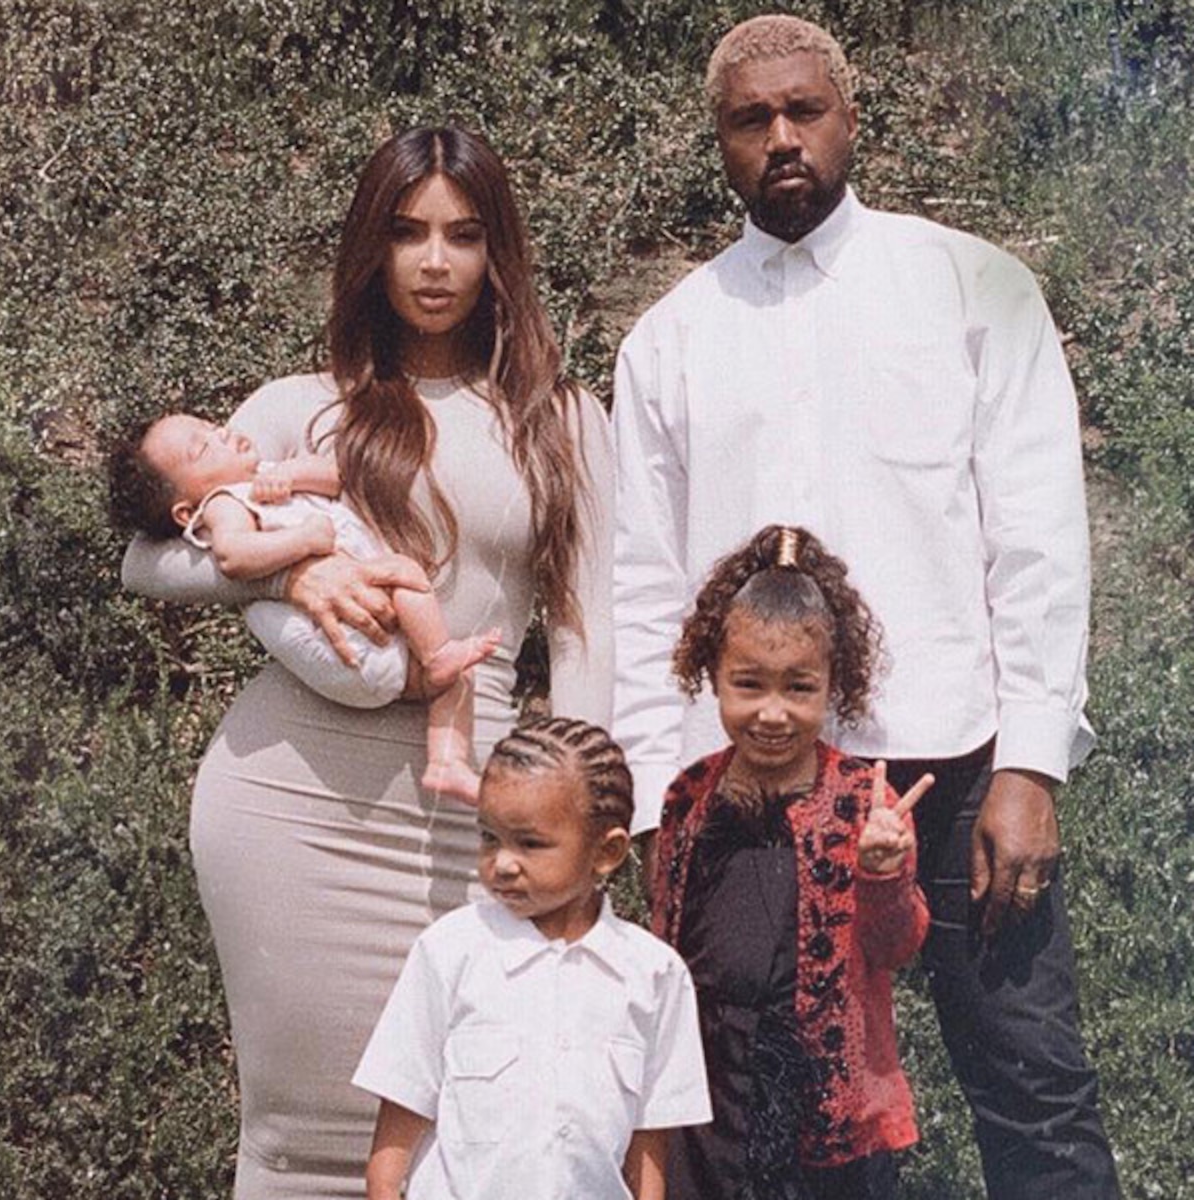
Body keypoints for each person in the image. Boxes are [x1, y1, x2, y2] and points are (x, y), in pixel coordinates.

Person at [612, 14, 1120, 1199]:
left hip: (955, 766)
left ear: (849, 117)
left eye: (805, 110)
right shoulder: (671, 340)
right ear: (721, 141)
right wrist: (655, 803)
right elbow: (643, 585)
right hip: (753, 790)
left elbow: (1038, 542)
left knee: (1033, 1088)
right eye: (752, 119)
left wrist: (1031, 766)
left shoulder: (971, 287)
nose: (782, 137)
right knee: (768, 1124)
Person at [120, 126, 613, 1198]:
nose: (434, 262)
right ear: (370, 249)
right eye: (406, 233)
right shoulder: (300, 405)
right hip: (289, 802)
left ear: (497, 253)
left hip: (470, 798)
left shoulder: (561, 419)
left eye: (463, 235)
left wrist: (583, 821)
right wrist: (288, 578)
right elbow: (146, 559)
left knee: (466, 1135)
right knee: (302, 1139)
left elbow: (587, 635)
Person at [651, 525, 932, 1200]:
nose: (772, 714)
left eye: (798, 688)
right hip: (708, 1090)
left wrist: (881, 872)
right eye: (748, 685)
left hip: (821, 1098)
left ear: (834, 685)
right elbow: (666, 937)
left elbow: (897, 946)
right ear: (711, 675)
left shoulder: (866, 805)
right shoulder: (690, 796)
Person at [354, 717, 712, 1200]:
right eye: (489, 837)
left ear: (607, 852)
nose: (502, 863)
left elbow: (649, 1150)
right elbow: (397, 1129)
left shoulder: (655, 976)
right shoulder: (450, 952)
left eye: (530, 843)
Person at [109, 411, 501, 801]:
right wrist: (301, 549)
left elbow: (338, 478)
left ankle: (447, 761)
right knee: (405, 573)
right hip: (346, 641)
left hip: (377, 651)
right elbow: (232, 556)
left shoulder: (267, 472)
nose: (223, 433)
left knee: (456, 678)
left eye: (212, 426)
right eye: (202, 447)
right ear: (184, 511)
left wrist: (291, 473)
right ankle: (436, 653)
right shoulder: (224, 502)